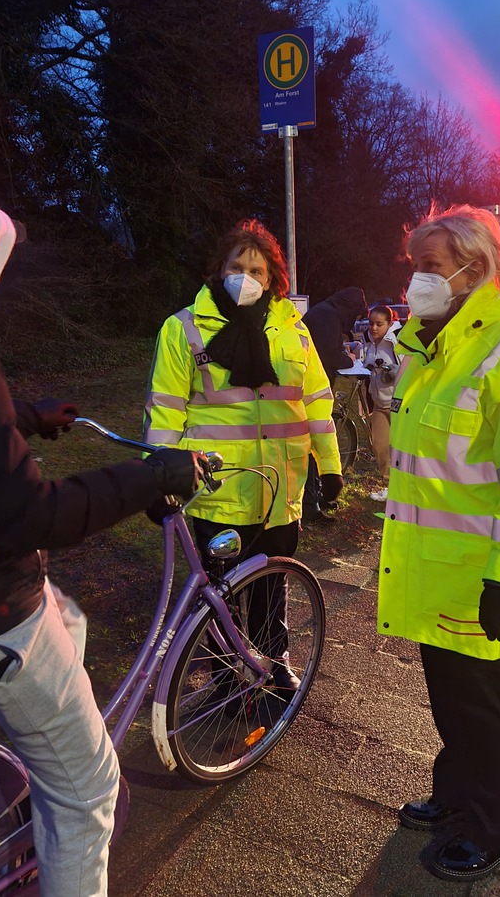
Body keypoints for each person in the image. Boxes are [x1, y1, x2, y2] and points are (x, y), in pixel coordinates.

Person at [0, 171, 205, 896]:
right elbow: (36, 517)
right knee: (91, 789)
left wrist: (26, 416)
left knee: (71, 617)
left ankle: (16, 744)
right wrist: (150, 478)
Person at [377, 204, 500, 884]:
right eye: (415, 266)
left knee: (485, 707)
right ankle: (458, 796)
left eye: (429, 266)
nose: (417, 279)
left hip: (482, 576)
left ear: (473, 268)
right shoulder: (432, 348)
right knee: (451, 700)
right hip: (433, 569)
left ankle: (498, 828)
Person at [144, 219, 343, 688]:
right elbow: (166, 410)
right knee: (218, 592)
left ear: (274, 278)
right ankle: (226, 678)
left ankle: (275, 665)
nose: (247, 277)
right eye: (238, 266)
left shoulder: (294, 332)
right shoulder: (183, 329)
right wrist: (158, 475)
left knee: (272, 584)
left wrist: (330, 465)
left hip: (280, 487)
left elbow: (316, 401)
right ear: (220, 269)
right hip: (218, 487)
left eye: (258, 269)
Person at [300, 287, 367, 524]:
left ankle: (317, 498)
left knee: (314, 448)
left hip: (310, 391)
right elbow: (327, 355)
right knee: (311, 447)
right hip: (311, 394)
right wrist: (347, 359)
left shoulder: (324, 312)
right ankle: (310, 506)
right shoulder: (328, 316)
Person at [361, 305, 400, 503]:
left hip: (398, 405)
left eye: (379, 324)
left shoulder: (397, 341)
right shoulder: (368, 340)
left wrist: (395, 371)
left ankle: (404, 489)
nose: (374, 328)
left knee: (401, 448)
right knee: (380, 446)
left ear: (390, 324)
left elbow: (410, 369)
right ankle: (389, 486)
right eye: (371, 323)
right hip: (378, 403)